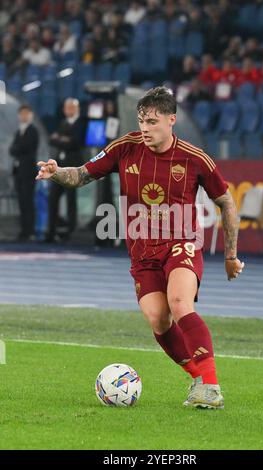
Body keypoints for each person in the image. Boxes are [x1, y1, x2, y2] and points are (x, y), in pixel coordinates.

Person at [36, 87, 244, 409]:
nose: (145, 128)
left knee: (179, 303)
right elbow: (80, 175)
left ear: (171, 120)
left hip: (181, 243)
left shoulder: (195, 158)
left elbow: (227, 204)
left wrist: (230, 256)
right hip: (142, 252)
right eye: (141, 121)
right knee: (158, 319)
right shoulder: (125, 148)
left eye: (152, 121)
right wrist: (56, 173)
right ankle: (197, 377)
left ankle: (212, 387)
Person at [45, 98, 83, 242]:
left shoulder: (81, 123)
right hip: (59, 168)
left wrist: (60, 139)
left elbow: (74, 143)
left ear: (77, 108)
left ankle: (71, 232)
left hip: (73, 168)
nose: (69, 110)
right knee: (53, 198)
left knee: (71, 199)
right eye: (66, 107)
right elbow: (52, 140)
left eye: (72, 107)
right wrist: (63, 139)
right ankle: (51, 232)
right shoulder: (63, 123)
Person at [9, 104, 39, 241]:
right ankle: (24, 231)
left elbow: (24, 147)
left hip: (28, 171)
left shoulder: (33, 131)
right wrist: (17, 148)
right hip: (18, 172)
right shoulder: (18, 132)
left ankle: (30, 231)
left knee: (28, 201)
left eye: (26, 113)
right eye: (22, 114)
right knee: (21, 201)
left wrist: (17, 148)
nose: (24, 116)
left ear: (30, 115)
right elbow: (12, 150)